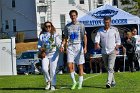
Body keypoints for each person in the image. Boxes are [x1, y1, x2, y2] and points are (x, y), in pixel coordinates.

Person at [60, 10, 87, 89]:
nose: (73, 17)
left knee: (80, 66)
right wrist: (62, 45)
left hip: (79, 46)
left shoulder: (81, 25)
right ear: (70, 16)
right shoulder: (67, 26)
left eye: (74, 15)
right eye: (71, 15)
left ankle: (80, 83)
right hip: (70, 47)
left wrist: (85, 47)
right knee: (69, 65)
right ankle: (74, 82)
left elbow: (85, 36)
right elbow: (65, 38)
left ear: (76, 16)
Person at [94, 16, 121, 88]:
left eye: (108, 22)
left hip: (112, 51)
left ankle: (108, 82)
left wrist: (116, 47)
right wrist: (97, 44)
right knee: (107, 67)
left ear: (110, 22)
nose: (107, 24)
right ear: (103, 22)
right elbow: (97, 39)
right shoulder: (100, 30)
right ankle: (113, 81)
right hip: (104, 51)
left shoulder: (115, 30)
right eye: (105, 23)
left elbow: (118, 40)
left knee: (110, 67)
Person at [38, 21, 61, 90]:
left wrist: (61, 47)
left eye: (49, 26)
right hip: (45, 54)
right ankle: (48, 82)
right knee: (44, 69)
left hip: (54, 54)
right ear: (44, 27)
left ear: (51, 27)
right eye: (46, 26)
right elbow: (39, 45)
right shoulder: (41, 35)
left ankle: (53, 85)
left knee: (52, 70)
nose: (48, 27)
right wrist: (41, 49)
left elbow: (58, 43)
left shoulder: (54, 34)